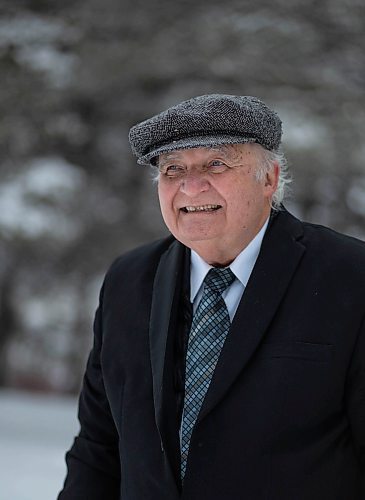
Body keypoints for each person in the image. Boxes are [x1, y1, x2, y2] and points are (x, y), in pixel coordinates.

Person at [58, 94, 365, 500]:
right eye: (172, 170)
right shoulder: (128, 281)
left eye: (215, 164)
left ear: (269, 178)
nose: (190, 186)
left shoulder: (350, 277)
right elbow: (99, 449)